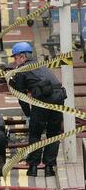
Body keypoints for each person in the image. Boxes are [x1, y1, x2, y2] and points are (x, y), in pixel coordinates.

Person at [9, 42, 67, 177]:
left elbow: (21, 95)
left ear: (22, 57)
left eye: (15, 57)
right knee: (53, 134)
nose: (14, 61)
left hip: (42, 101)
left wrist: (29, 114)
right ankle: (49, 168)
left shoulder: (21, 70)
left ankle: (33, 167)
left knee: (35, 134)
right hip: (58, 98)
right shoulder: (42, 66)